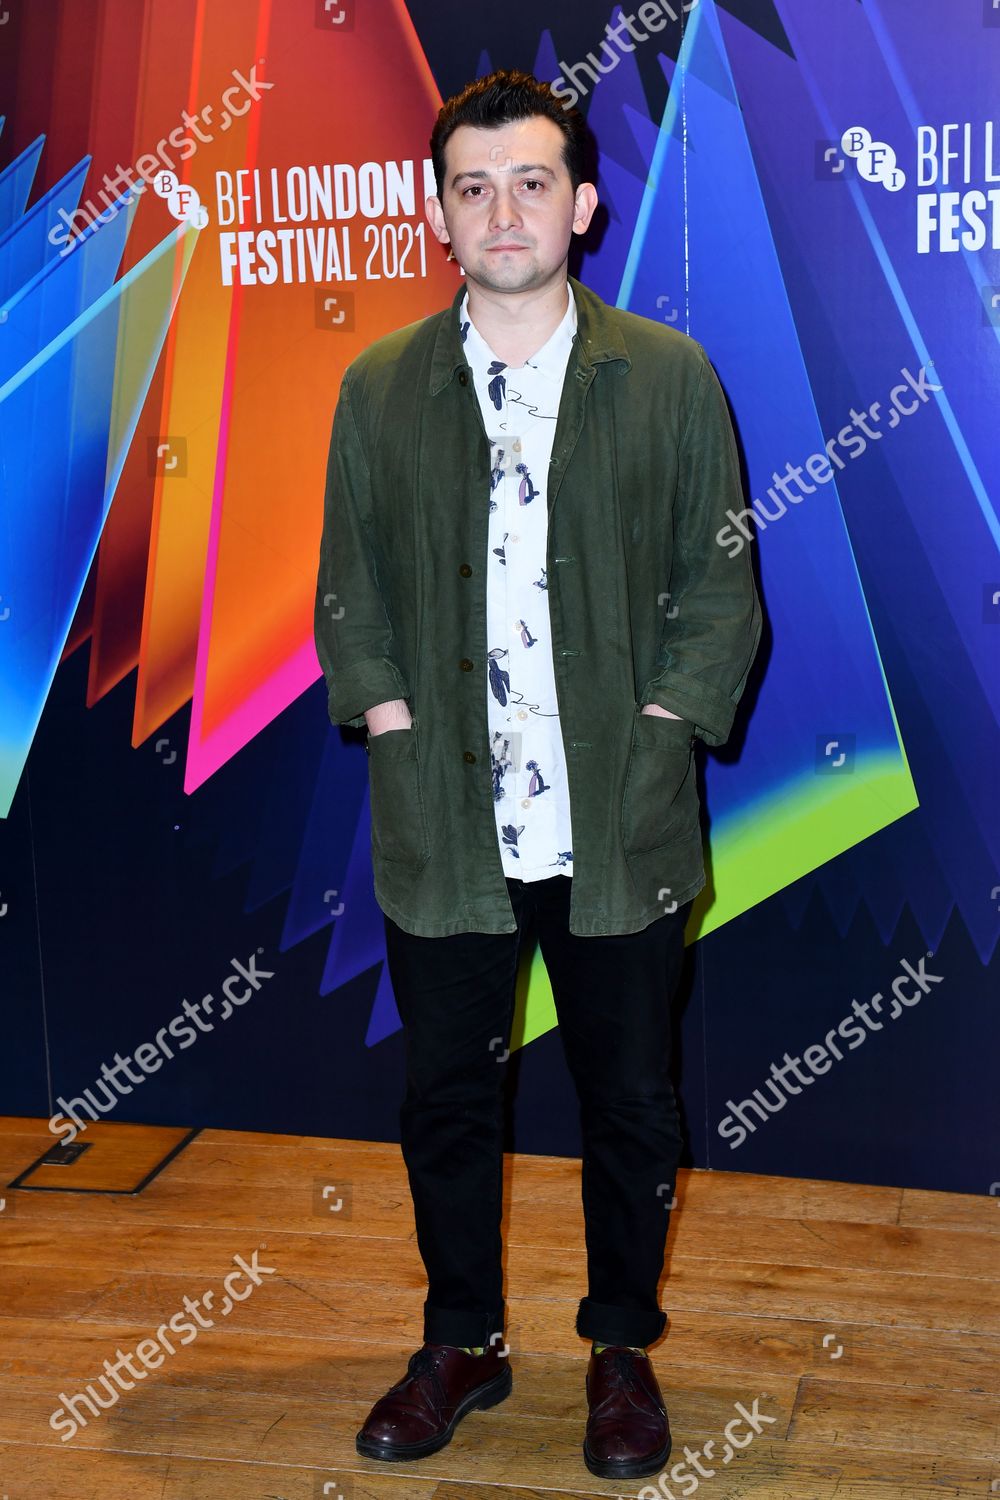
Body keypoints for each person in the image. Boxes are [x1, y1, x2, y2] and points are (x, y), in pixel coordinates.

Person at [313, 68, 761, 1484]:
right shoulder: (378, 386)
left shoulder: (672, 377)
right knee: (449, 1095)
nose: (500, 209)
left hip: (617, 821)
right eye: (470, 185)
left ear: (582, 203)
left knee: (631, 1100)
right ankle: (466, 1344)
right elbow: (350, 584)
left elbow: (723, 579)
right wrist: (383, 712)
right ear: (437, 213)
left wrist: (661, 724)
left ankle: (621, 1350)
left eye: (528, 181)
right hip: (444, 821)